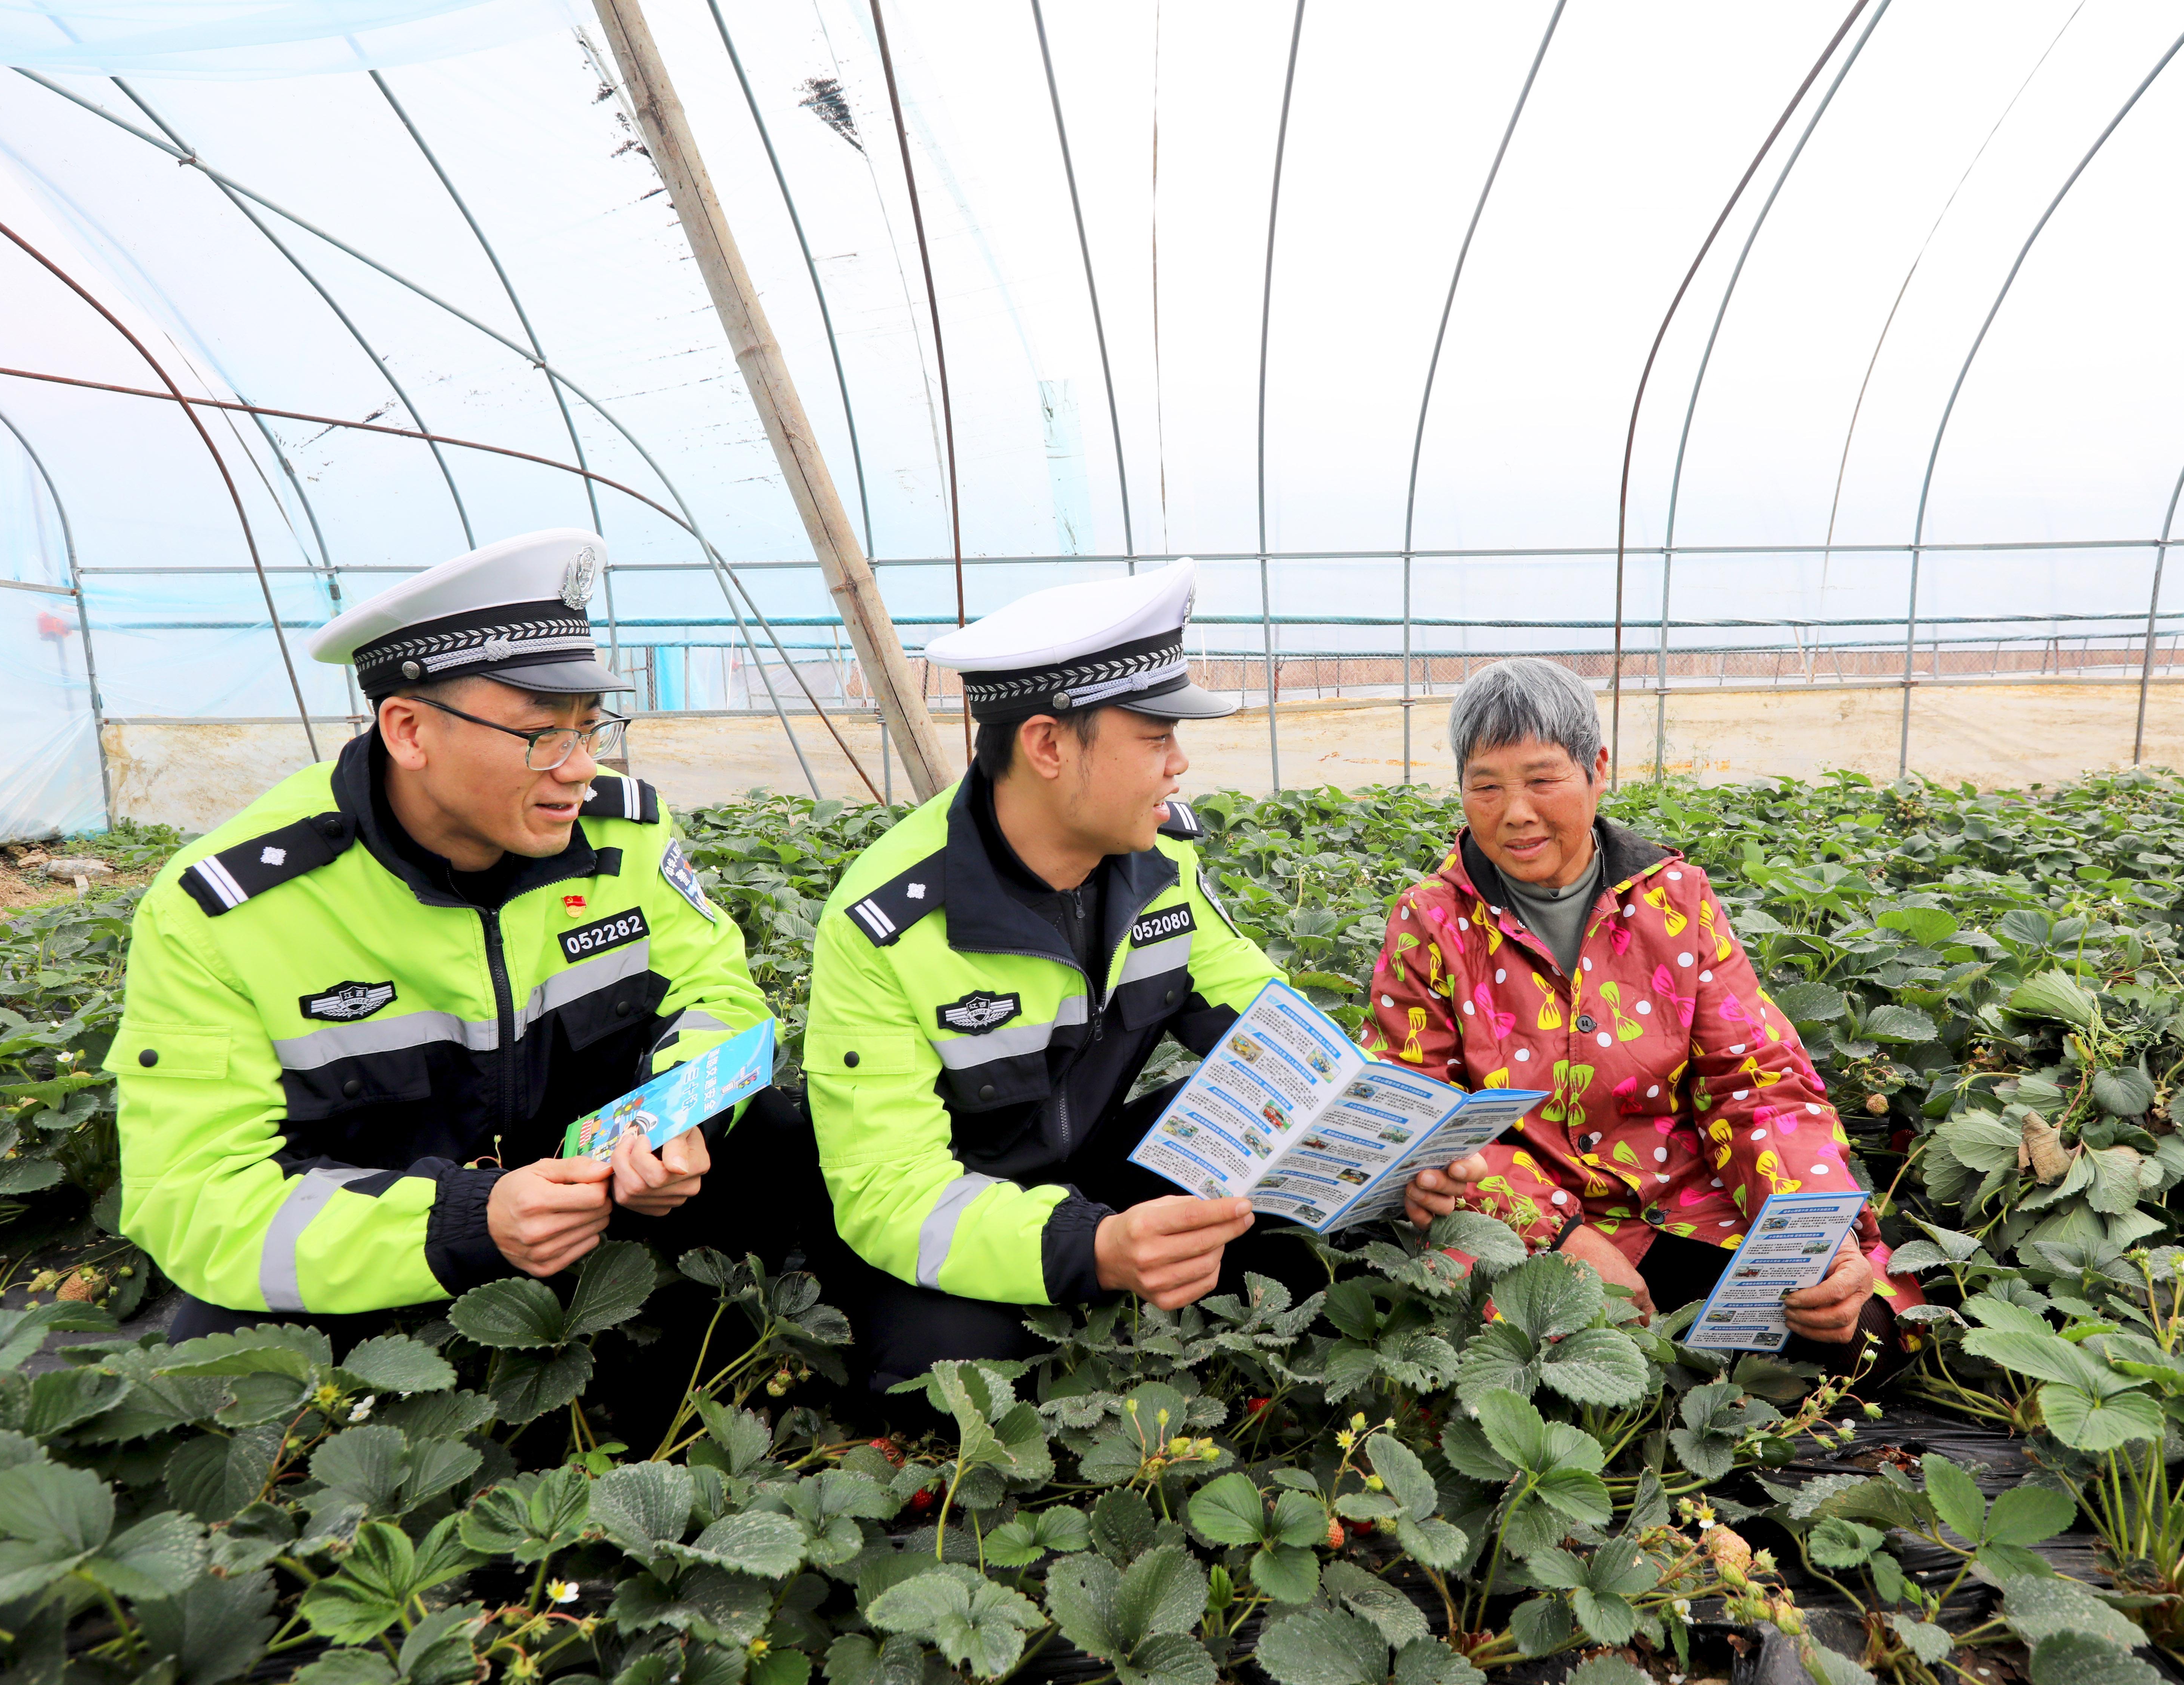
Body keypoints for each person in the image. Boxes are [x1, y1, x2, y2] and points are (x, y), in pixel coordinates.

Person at [799, 559, 1483, 1397]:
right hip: (969, 1207)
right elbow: (891, 1189)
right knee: (952, 1368)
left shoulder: (1159, 863)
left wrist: (1387, 1138)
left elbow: (1271, 1026)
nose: (1179, 764)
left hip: (1094, 1168)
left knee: (1315, 1205)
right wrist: (1094, 1247)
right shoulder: (886, 923)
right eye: (1156, 738)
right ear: (1048, 744)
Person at [108, 529, 779, 1342]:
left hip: (598, 1206)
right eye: (543, 734)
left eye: (592, 728)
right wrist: (463, 1222)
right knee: (222, 1345)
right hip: (398, 1253)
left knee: (787, 1140)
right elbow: (193, 1191)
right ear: (409, 730)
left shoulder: (623, 831)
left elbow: (716, 992)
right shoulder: (227, 910)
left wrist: (677, 1116)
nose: (579, 768)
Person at [1361, 659, 1922, 1379]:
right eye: (1486, 786)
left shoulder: (1676, 900)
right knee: (1567, 1368)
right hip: (1520, 1219)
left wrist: (1815, 1230)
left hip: (1683, 1203)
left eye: (1542, 780)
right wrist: (1560, 1236)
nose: (1516, 813)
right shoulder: (1432, 921)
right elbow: (1414, 1111)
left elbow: (1756, 1082)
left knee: (1856, 1336)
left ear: (1597, 769)